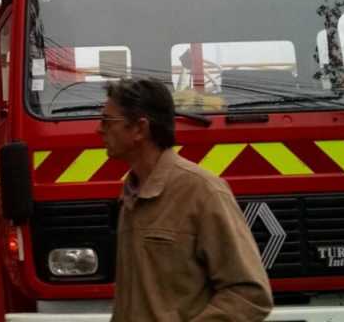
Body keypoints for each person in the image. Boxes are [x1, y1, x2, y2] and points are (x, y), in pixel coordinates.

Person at [98, 78, 272, 321]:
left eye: (107, 121)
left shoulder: (203, 192)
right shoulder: (132, 194)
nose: (99, 129)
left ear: (139, 128)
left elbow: (249, 295)